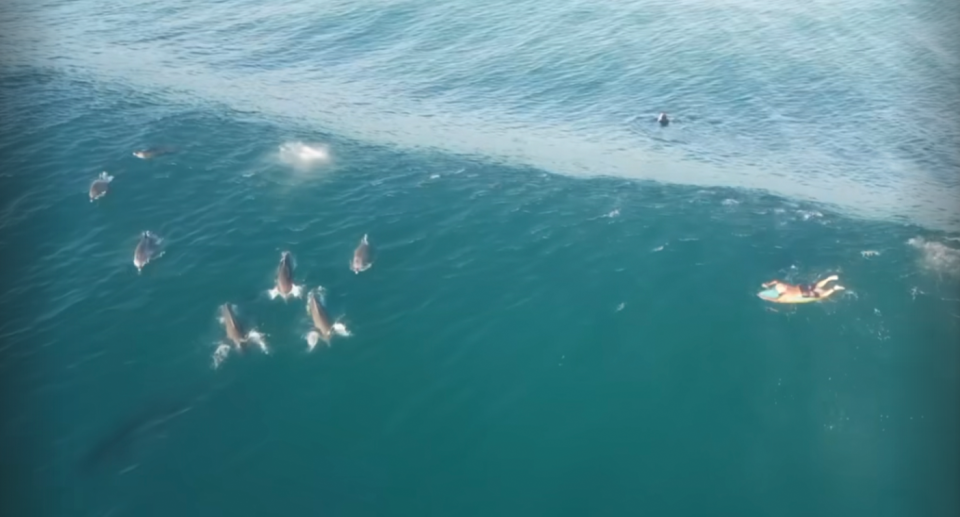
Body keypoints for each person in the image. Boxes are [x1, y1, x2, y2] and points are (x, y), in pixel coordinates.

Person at [760, 275, 844, 301]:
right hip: (802, 286)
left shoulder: (785, 295)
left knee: (822, 295)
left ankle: (834, 288)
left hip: (803, 293)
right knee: (817, 286)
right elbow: (775, 280)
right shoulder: (783, 285)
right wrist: (767, 284)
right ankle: (828, 279)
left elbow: (777, 301)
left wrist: (766, 297)